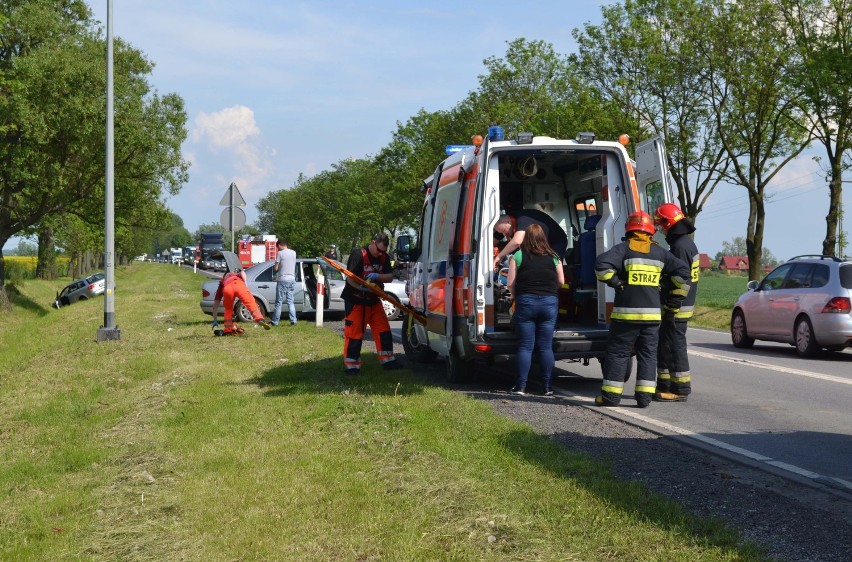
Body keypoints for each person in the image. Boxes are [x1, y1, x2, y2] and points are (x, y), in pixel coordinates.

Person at [594, 211, 690, 408]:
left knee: (619, 354)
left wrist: (616, 283)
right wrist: (666, 286)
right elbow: (683, 273)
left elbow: (601, 266)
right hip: (652, 317)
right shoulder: (661, 253)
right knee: (648, 355)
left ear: (629, 229)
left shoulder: (623, 249)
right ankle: (644, 398)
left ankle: (611, 398)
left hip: (625, 317)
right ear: (650, 232)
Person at [506, 224, 565, 396]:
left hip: (526, 303)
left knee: (525, 346)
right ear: (543, 238)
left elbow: (510, 283)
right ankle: (547, 387)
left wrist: (517, 295)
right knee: (546, 347)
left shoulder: (517, 255)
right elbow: (561, 281)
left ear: (526, 239)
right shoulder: (554, 257)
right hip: (549, 303)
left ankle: (521, 387)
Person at [654, 203, 700, 402]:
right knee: (665, 346)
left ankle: (680, 389)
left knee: (674, 346)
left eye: (661, 224)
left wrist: (672, 305)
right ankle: (665, 385)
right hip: (677, 305)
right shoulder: (683, 243)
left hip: (677, 307)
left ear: (668, 223)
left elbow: (682, 280)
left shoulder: (681, 247)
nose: (660, 228)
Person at [340, 233, 403, 374]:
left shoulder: (384, 257)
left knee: (383, 330)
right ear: (372, 242)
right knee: (354, 332)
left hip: (374, 300)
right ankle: (352, 365)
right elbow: (350, 277)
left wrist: (377, 276)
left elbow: (390, 277)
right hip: (356, 300)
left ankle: (388, 360)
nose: (380, 253)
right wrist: (360, 287)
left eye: (383, 251)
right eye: (379, 250)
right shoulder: (358, 255)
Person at [493, 208, 569, 269]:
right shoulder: (503, 226)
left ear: (508, 222)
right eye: (501, 232)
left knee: (553, 267)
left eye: (504, 231)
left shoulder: (522, 219)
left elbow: (517, 241)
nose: (503, 234)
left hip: (555, 241)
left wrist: (499, 256)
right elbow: (492, 241)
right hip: (539, 244)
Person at [211, 268, 271, 335]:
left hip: (227, 288)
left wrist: (215, 320)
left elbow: (215, 305)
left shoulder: (222, 282)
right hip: (239, 285)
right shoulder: (236, 275)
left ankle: (228, 330)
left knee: (228, 309)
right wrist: (245, 283)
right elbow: (242, 272)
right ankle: (259, 319)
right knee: (250, 303)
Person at [271, 239, 297, 326]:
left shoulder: (280, 253)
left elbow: (275, 268)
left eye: (277, 247)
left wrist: (277, 265)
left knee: (279, 302)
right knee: (290, 301)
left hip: (283, 279)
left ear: (279, 245)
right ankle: (293, 320)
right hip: (292, 279)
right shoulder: (293, 252)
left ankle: (275, 322)